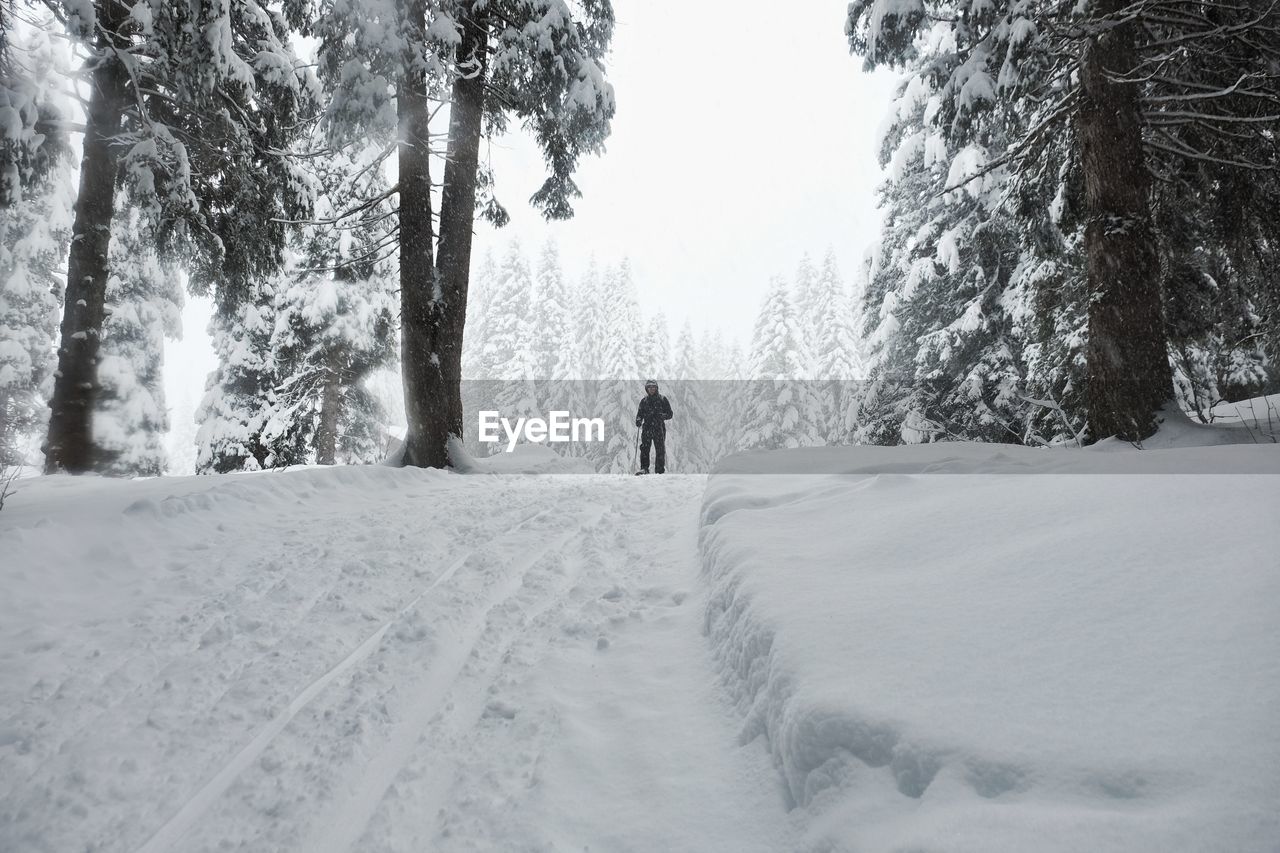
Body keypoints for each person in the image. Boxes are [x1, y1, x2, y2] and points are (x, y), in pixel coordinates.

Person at [635, 379, 673, 474]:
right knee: (644, 449)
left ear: (656, 388)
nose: (651, 389)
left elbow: (670, 414)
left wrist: (662, 416)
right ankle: (644, 469)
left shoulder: (662, 399)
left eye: (653, 387)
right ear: (646, 389)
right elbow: (639, 414)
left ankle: (659, 470)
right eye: (649, 387)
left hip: (659, 428)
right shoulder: (644, 401)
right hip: (647, 428)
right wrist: (639, 420)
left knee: (660, 449)